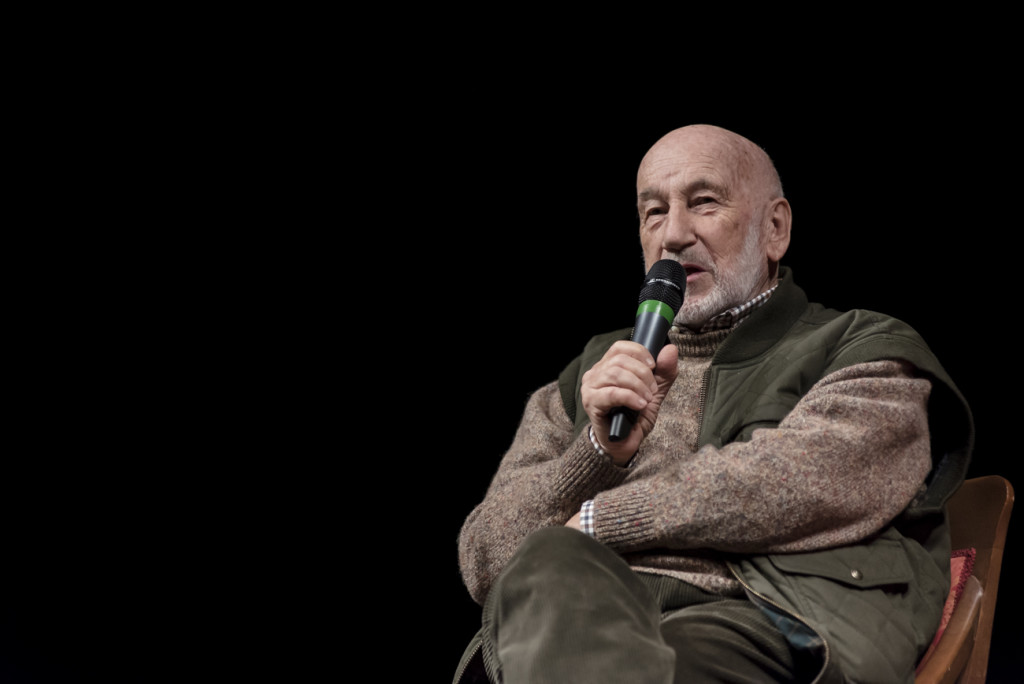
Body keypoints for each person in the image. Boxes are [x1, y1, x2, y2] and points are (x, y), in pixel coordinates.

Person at [452, 124, 974, 684]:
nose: (673, 235)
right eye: (653, 212)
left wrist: (604, 519)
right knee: (553, 562)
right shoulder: (590, 376)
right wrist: (596, 451)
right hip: (571, 622)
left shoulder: (859, 347)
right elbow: (486, 554)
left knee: (658, 648)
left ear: (775, 228)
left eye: (702, 203)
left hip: (766, 622)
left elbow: (805, 480)